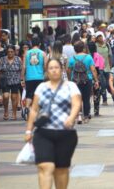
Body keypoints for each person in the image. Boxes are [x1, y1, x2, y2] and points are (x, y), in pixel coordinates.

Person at [25, 59, 81, 189]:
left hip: (65, 133)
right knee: (46, 166)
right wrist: (28, 130)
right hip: (43, 133)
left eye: (56, 67)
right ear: (47, 71)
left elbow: (77, 103)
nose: (54, 70)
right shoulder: (41, 87)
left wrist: (71, 118)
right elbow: (34, 109)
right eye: (51, 68)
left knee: (61, 169)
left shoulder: (71, 86)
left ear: (61, 70)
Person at [68, 41, 99, 123]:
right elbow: (93, 69)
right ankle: (86, 116)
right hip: (87, 80)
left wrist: (69, 80)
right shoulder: (88, 57)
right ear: (83, 48)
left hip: (75, 81)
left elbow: (69, 70)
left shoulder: (72, 58)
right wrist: (96, 80)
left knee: (77, 99)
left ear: (75, 49)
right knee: (86, 99)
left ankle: (78, 116)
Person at [0, 45, 23, 120]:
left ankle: (14, 114)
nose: (10, 53)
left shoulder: (18, 59)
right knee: (5, 96)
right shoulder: (3, 59)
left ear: (14, 52)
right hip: (5, 80)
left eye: (12, 51)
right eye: (8, 52)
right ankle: (6, 111)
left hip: (15, 80)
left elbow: (21, 70)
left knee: (14, 98)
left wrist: (22, 79)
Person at [24, 37, 47, 118]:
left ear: (31, 44)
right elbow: (45, 66)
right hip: (40, 77)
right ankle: (37, 112)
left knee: (29, 94)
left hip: (29, 77)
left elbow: (24, 67)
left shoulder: (26, 53)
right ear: (39, 44)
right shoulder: (43, 53)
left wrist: (22, 79)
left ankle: (27, 108)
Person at [96, 31, 112, 105]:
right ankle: (104, 99)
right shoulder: (95, 46)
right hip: (99, 68)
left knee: (109, 83)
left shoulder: (107, 45)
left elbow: (109, 56)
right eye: (98, 37)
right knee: (103, 83)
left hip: (107, 66)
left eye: (101, 36)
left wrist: (111, 67)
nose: (100, 38)